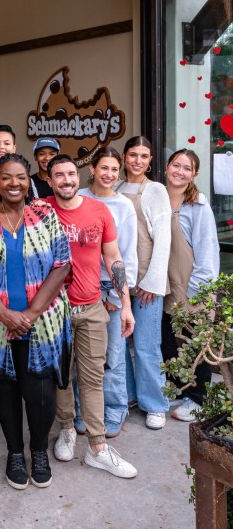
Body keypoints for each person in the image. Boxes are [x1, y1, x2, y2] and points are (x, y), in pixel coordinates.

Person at [0, 154, 71, 490]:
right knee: (6, 390)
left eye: (21, 177)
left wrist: (30, 314)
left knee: (40, 393)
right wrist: (7, 315)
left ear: (29, 182)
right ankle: (13, 453)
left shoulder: (45, 214)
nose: (14, 183)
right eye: (6, 177)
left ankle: (38, 451)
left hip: (43, 322)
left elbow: (62, 264)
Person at [48, 155, 138, 478]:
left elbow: (114, 257)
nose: (66, 180)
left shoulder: (99, 211)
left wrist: (125, 304)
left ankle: (97, 446)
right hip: (54, 310)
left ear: (80, 175)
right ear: (50, 180)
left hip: (91, 307)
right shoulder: (41, 211)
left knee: (92, 377)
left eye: (71, 173)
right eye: (59, 175)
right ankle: (68, 429)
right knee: (62, 375)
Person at [77, 147, 138, 437]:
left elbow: (124, 255)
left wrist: (117, 297)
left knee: (112, 355)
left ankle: (115, 409)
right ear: (92, 168)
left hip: (111, 287)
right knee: (83, 355)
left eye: (115, 170)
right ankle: (83, 410)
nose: (109, 175)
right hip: (81, 286)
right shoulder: (79, 197)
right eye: (104, 168)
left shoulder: (124, 206)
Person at [117, 136, 172, 430]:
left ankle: (155, 403)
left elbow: (163, 239)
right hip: (119, 279)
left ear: (150, 160)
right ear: (124, 157)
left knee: (147, 344)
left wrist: (152, 281)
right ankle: (126, 396)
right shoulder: (113, 187)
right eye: (133, 154)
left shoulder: (156, 190)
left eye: (144, 156)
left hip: (148, 280)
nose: (138, 161)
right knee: (120, 344)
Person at [162, 149, 220, 421]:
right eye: (176, 165)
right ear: (166, 167)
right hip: (164, 286)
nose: (180, 172)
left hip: (193, 286)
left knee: (197, 345)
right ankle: (178, 391)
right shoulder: (158, 197)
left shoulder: (198, 205)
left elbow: (206, 251)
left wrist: (199, 292)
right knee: (169, 343)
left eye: (187, 168)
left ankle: (198, 399)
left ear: (194, 174)